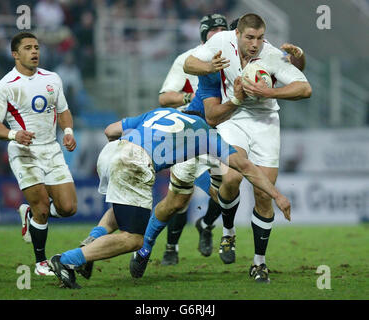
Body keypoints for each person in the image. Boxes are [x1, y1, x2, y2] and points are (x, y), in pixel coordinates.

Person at [48, 107, 291, 289]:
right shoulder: (205, 132)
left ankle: (90, 243)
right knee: (133, 239)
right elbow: (246, 168)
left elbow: (110, 130)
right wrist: (277, 196)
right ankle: (68, 260)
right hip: (134, 163)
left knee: (121, 210)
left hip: (112, 151)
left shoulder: (161, 112)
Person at [183, 13, 311, 282]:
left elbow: (304, 88)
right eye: (250, 37)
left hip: (266, 121)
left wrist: (270, 93)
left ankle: (259, 263)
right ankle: (228, 232)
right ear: (238, 34)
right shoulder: (220, 42)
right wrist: (208, 68)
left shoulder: (272, 55)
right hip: (234, 117)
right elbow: (189, 63)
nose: (255, 44)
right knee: (231, 177)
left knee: (263, 195)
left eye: (260, 38)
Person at [0, 32, 78, 276]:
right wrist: (14, 135)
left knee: (68, 208)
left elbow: (64, 110)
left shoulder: (53, 78)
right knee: (42, 208)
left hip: (52, 149)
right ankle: (40, 263)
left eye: (36, 47)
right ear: (15, 54)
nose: (34, 52)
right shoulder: (4, 86)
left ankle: (30, 214)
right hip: (23, 151)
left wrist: (67, 131)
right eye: (28, 48)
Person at [157, 14, 229, 266]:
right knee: (182, 194)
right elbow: (165, 98)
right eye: (213, 30)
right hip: (189, 133)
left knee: (227, 189)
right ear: (203, 36)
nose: (219, 33)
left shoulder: (234, 60)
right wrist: (193, 99)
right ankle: (170, 247)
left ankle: (206, 224)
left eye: (223, 29)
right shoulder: (187, 60)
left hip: (222, 130)